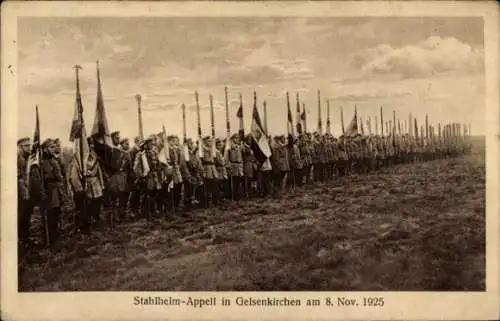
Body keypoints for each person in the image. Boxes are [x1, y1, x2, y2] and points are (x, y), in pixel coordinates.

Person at [40, 139, 68, 244]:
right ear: (45, 149)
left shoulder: (55, 159)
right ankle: (50, 237)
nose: (53, 149)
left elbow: (61, 174)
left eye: (53, 147)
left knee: (57, 212)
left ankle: (56, 233)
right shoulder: (42, 162)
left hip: (57, 188)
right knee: (50, 214)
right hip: (50, 190)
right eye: (51, 147)